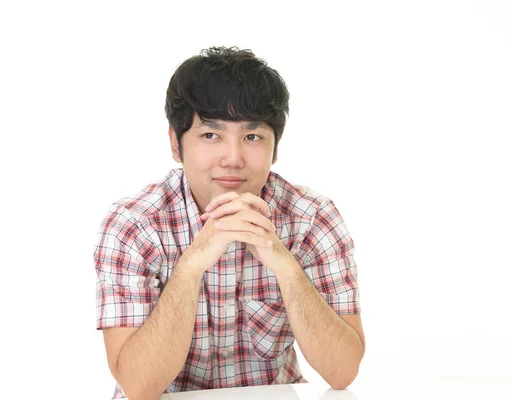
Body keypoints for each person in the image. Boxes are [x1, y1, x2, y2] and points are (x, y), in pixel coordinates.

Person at [94, 46, 365, 400]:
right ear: (176, 144)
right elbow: (139, 387)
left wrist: (285, 264)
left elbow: (343, 372)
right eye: (211, 135)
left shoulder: (311, 217)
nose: (233, 159)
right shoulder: (133, 225)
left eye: (252, 137)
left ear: (276, 147)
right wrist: (191, 266)